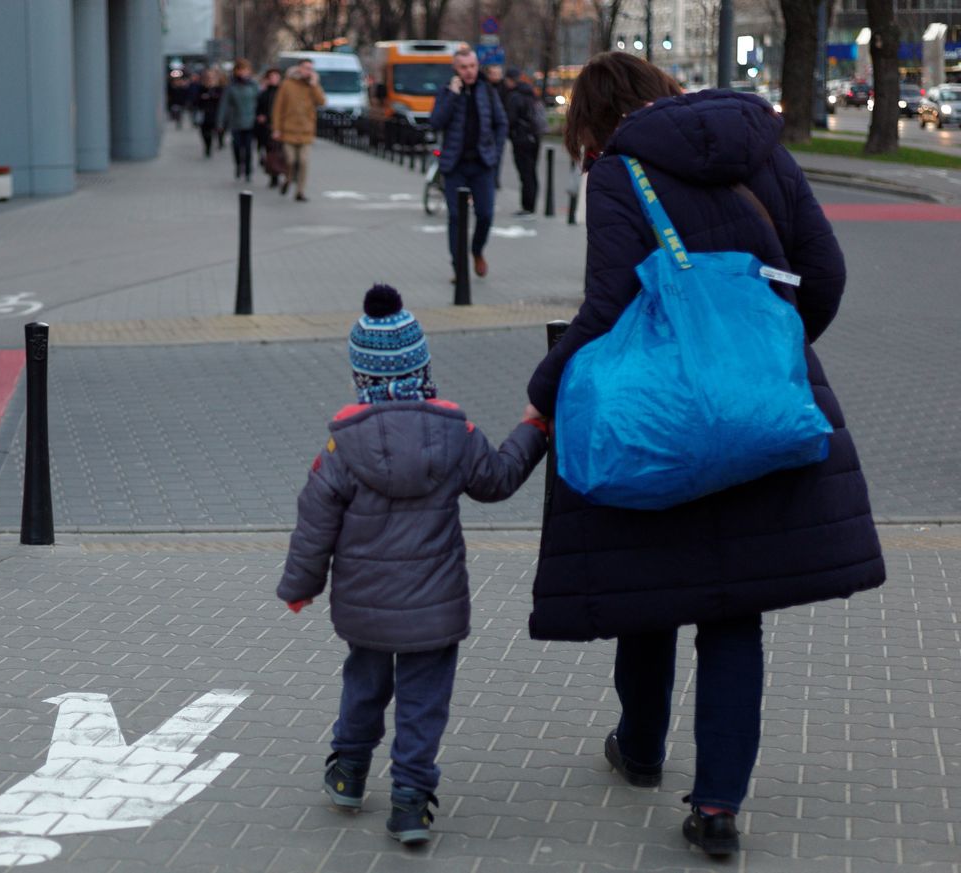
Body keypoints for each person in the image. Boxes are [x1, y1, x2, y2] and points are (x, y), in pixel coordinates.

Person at [523, 52, 886, 857]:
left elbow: (607, 307)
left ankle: (642, 749)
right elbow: (824, 273)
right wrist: (755, 359)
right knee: (734, 613)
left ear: (597, 121)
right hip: (762, 417)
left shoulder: (620, 173)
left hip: (662, 420)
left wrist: (543, 389)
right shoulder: (761, 148)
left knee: (648, 583)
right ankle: (717, 806)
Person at [278, 284, 547, 846]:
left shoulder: (342, 447)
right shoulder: (455, 433)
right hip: (434, 607)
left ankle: (349, 771)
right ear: (422, 364)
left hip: (366, 607)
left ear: (362, 376)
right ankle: (409, 801)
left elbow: (315, 521)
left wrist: (300, 586)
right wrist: (533, 430)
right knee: (424, 702)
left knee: (365, 685)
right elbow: (497, 481)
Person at [429, 48, 507, 280]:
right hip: (455, 166)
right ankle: (459, 267)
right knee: (455, 217)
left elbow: (501, 123)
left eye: (472, 66)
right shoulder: (446, 92)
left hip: (482, 165)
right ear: (456, 69)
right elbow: (435, 122)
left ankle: (476, 251)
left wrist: (496, 152)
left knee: (485, 214)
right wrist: (453, 95)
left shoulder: (487, 91)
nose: (469, 71)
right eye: (464, 67)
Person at [271, 60, 325, 202]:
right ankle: (288, 180)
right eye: (306, 68)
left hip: (306, 131)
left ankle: (300, 191)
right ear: (299, 69)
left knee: (304, 162)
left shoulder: (313, 86)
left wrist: (314, 85)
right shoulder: (287, 84)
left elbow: (322, 102)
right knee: (290, 160)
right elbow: (278, 108)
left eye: (311, 69)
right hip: (288, 131)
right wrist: (276, 129)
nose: (308, 71)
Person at [503, 67, 546, 217]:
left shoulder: (515, 97)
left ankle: (527, 206)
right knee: (532, 172)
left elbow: (510, 119)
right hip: (534, 137)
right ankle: (531, 204)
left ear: (510, 80)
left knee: (525, 173)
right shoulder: (532, 94)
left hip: (521, 139)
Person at [218, 59, 260, 181]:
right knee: (236, 147)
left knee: (248, 148)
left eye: (245, 70)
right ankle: (238, 166)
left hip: (251, 122)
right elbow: (224, 105)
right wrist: (220, 122)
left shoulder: (253, 85)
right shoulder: (231, 87)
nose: (243, 73)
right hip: (236, 121)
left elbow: (260, 102)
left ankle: (248, 171)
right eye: (240, 70)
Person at [255, 68, 284, 188]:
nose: (274, 79)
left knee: (280, 152)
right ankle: (273, 175)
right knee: (270, 152)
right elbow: (258, 108)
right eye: (272, 77)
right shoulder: (263, 93)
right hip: (266, 127)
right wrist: (260, 116)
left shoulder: (282, 93)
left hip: (281, 127)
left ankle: (278, 173)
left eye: (276, 77)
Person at [484, 65, 506, 189]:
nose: (497, 76)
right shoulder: (484, 88)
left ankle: (494, 179)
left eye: (499, 73)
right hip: (487, 129)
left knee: (497, 156)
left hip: (496, 129)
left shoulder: (503, 88)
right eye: (494, 73)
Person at [195, 68, 225, 158]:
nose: (210, 78)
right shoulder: (201, 88)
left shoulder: (219, 89)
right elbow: (196, 100)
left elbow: (222, 102)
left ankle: (220, 141)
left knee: (217, 131)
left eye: (211, 76)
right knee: (205, 133)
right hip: (204, 114)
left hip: (216, 114)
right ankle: (207, 147)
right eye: (208, 76)